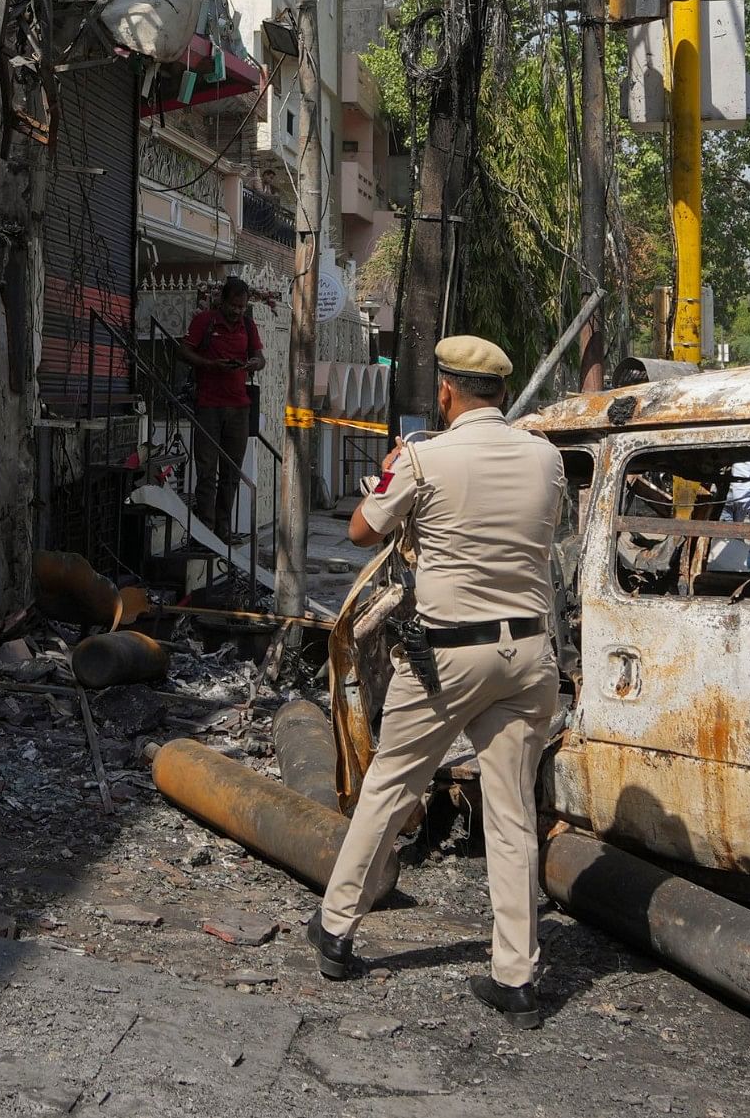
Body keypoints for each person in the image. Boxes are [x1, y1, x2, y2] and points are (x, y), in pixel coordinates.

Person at [309, 334, 569, 1022]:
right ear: (503, 393)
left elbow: (363, 531)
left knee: (392, 782)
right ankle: (515, 977)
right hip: (527, 654)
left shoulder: (424, 455)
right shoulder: (545, 457)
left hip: (447, 656)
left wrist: (393, 470)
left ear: (446, 391)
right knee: (512, 811)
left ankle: (335, 929)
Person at [175, 277, 265, 540]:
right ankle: (206, 528)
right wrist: (210, 365)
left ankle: (223, 528)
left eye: (242, 306)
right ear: (223, 301)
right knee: (206, 470)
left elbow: (261, 358)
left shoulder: (248, 325)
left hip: (239, 407)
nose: (237, 311)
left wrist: (252, 364)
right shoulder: (205, 321)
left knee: (231, 472)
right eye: (234, 306)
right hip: (209, 405)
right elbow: (183, 351)